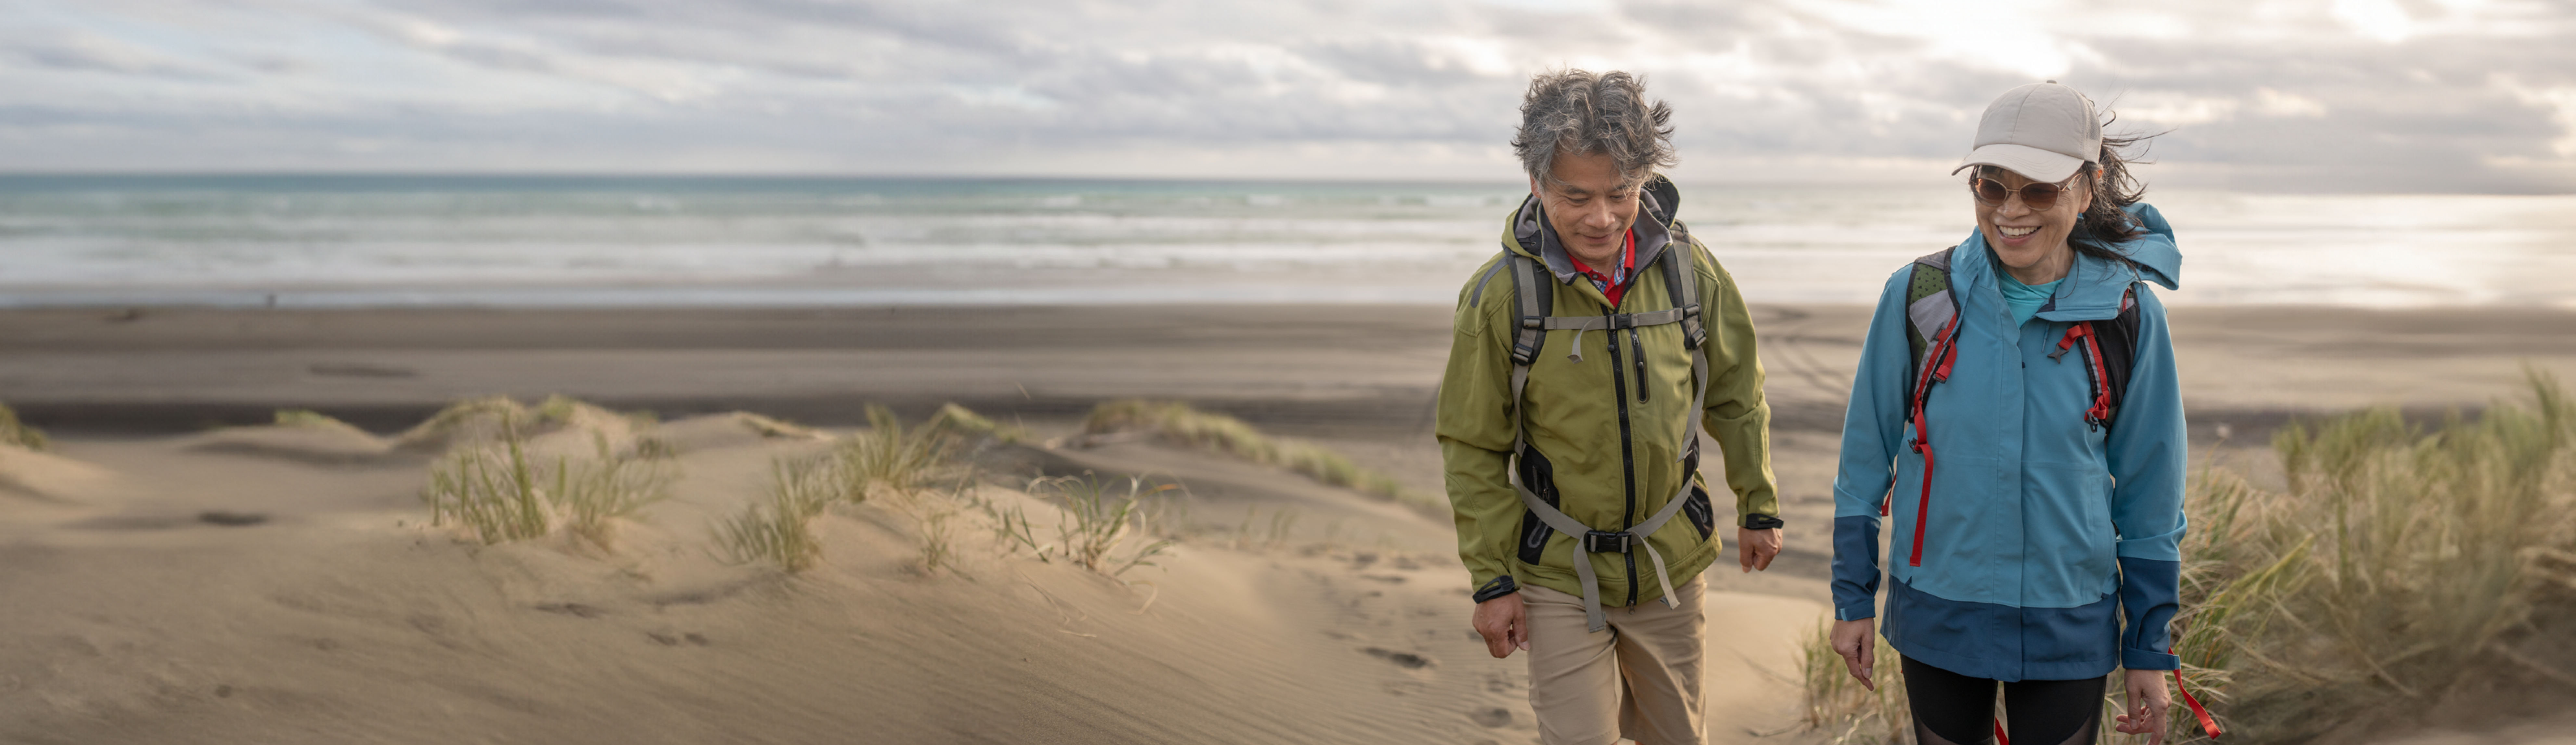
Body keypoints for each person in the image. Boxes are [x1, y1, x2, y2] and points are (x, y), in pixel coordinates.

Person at [1825, 81, 2191, 745]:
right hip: (1937, 608)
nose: (2010, 211)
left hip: (2068, 616)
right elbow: (1862, 459)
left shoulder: (2129, 317)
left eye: (2039, 190)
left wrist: (2147, 646)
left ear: (2088, 186)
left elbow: (2151, 496)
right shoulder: (1917, 296)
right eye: (1991, 188)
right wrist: (1852, 599)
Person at [1437, 69, 1785, 745]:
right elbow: (1472, 445)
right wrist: (1491, 582)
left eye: (1619, 194)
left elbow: (1737, 394)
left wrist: (1758, 501)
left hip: (1670, 564)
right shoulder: (1500, 298)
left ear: (1643, 182)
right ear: (1536, 184)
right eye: (1575, 195)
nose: (1600, 217)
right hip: (1557, 574)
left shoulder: (1692, 272)